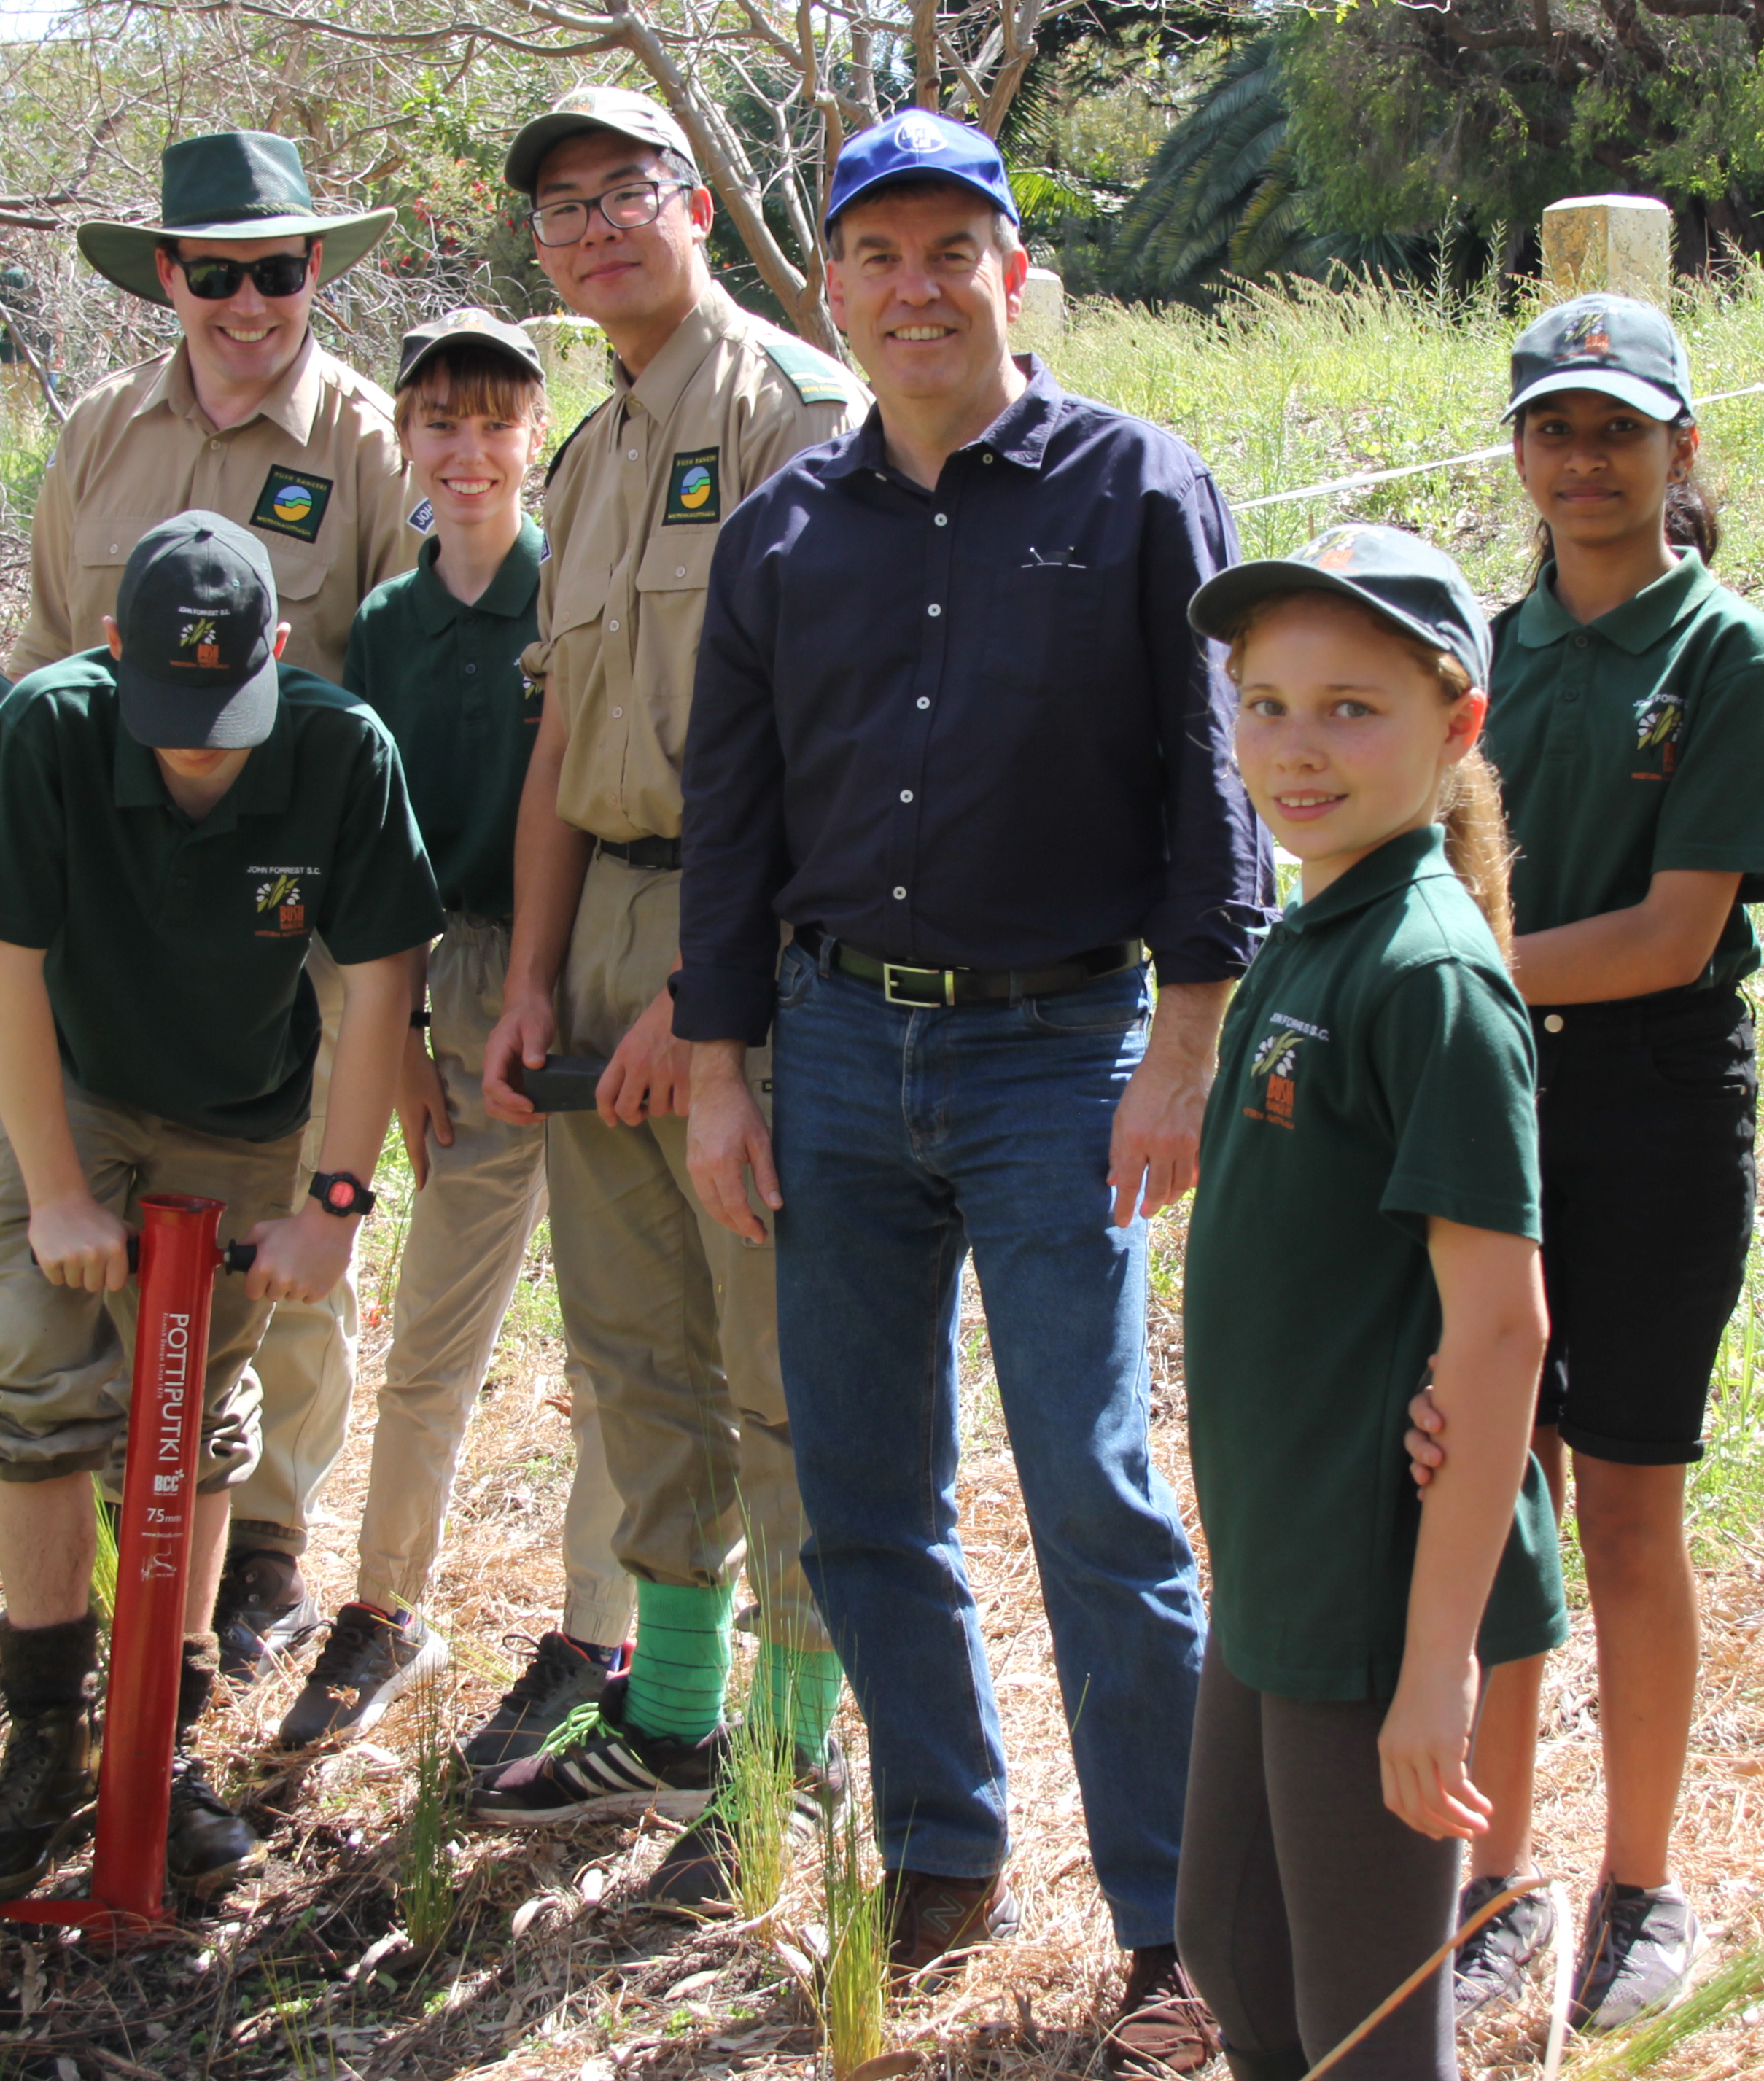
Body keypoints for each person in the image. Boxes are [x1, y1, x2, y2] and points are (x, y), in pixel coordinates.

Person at [677, 111, 1258, 2069]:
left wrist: (1180, 1051)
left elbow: (1214, 798)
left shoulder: (1138, 488)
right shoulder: (780, 533)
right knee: (860, 1482)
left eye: (952, 251)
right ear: (827, 286)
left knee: (1094, 1489)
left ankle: (1184, 1915)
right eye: (877, 256)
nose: (914, 288)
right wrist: (720, 1072)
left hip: (1062, 1049)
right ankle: (943, 1837)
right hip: (836, 1048)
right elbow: (731, 823)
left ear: (1012, 270)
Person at [465, 88, 867, 1905]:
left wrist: (710, 997)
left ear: (692, 202)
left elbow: (826, 741)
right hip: (604, 932)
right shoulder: (590, 448)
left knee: (775, 1358)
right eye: (559, 207)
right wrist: (533, 974)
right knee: (631, 1354)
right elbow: (562, 726)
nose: (592, 227)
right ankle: (677, 1710)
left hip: (748, 948)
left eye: (621, 190)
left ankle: (792, 1748)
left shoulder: (790, 410)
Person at [0, 512, 440, 1902]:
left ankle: (162, 1735)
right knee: (29, 1365)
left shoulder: (341, 750)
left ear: (279, 648)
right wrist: (50, 1192)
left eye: (229, 707)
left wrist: (334, 1203)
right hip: (74, 1090)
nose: (201, 739)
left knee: (194, 1399)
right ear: (110, 656)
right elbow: (4, 970)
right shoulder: (42, 731)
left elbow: (381, 981)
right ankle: (46, 1734)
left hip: (241, 1111)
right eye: (169, 708)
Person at [1405, 295, 1764, 2032]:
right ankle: (1487, 1878)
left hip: (1645, 1110)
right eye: (1553, 430)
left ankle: (1637, 1882)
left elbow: (1666, 935)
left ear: (1679, 449)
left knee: (1629, 1505)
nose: (1581, 462)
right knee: (1496, 1502)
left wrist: (1463, 971)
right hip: (1484, 1108)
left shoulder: (1728, 662)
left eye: (1616, 431)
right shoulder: (1472, 661)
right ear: (1515, 449)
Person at [18, 129, 422, 1684]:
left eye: (277, 269)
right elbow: (57, 655)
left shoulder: (371, 444)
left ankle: (257, 1547)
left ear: (315, 271)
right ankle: (116, 1567)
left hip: (298, 918)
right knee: (88, 1239)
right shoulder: (99, 436)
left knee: (282, 1245)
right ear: (167, 277)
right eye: (215, 272)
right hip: (124, 904)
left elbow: (384, 690)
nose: (247, 303)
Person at [1173, 524, 1568, 2081]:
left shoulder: (1424, 973)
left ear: (1456, 723)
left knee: (1369, 2029)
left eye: (1350, 707)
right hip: (1278, 1558)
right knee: (1230, 1949)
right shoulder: (1311, 925)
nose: (1293, 745)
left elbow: (1501, 1326)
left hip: (1370, 1590)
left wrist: (1433, 1669)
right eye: (1262, 702)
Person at [273, 309, 633, 1751]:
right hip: (455, 979)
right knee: (433, 1328)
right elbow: (370, 857)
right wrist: (406, 1034)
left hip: (595, 980)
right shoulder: (384, 624)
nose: (469, 451)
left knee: (616, 1340)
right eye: (442, 423)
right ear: (406, 440)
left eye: (495, 423)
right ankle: (382, 1603)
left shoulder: (575, 592)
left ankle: (596, 1635)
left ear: (532, 437)